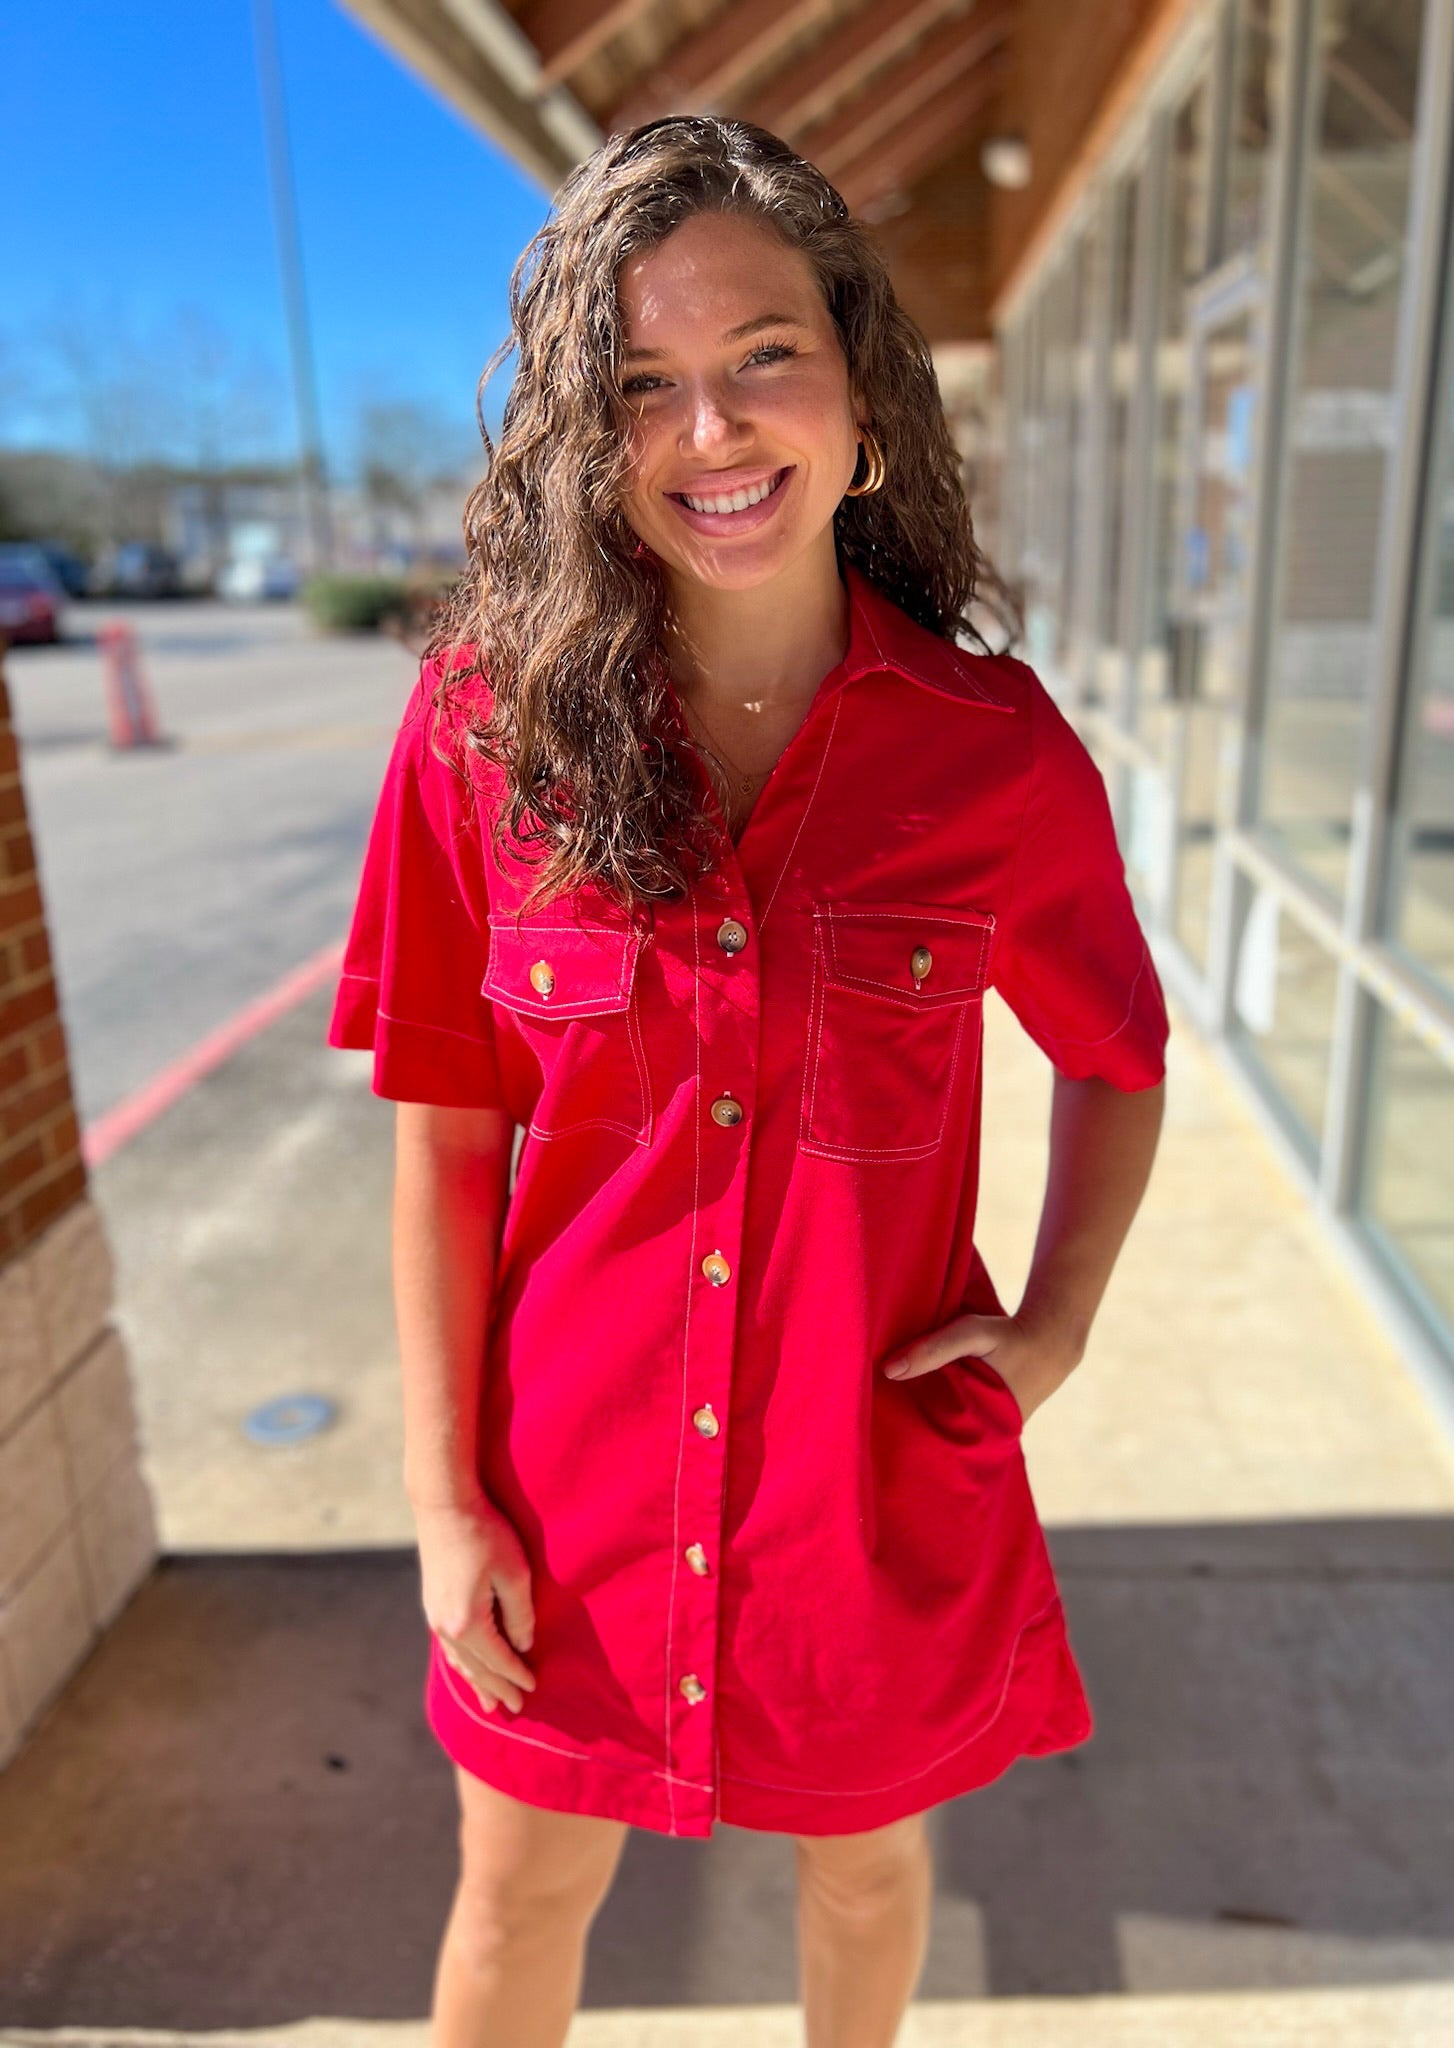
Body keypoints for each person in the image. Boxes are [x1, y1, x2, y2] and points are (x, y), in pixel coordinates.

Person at [327, 113, 1169, 2048]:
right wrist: (445, 1506)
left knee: (863, 1875)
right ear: (586, 438)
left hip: (861, 1514)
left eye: (761, 355)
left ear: (860, 396)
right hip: (563, 1508)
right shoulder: (480, 736)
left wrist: (1053, 1324)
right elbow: (445, 1145)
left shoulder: (990, 753)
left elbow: (1115, 1059)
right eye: (642, 382)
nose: (708, 428)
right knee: (515, 1897)